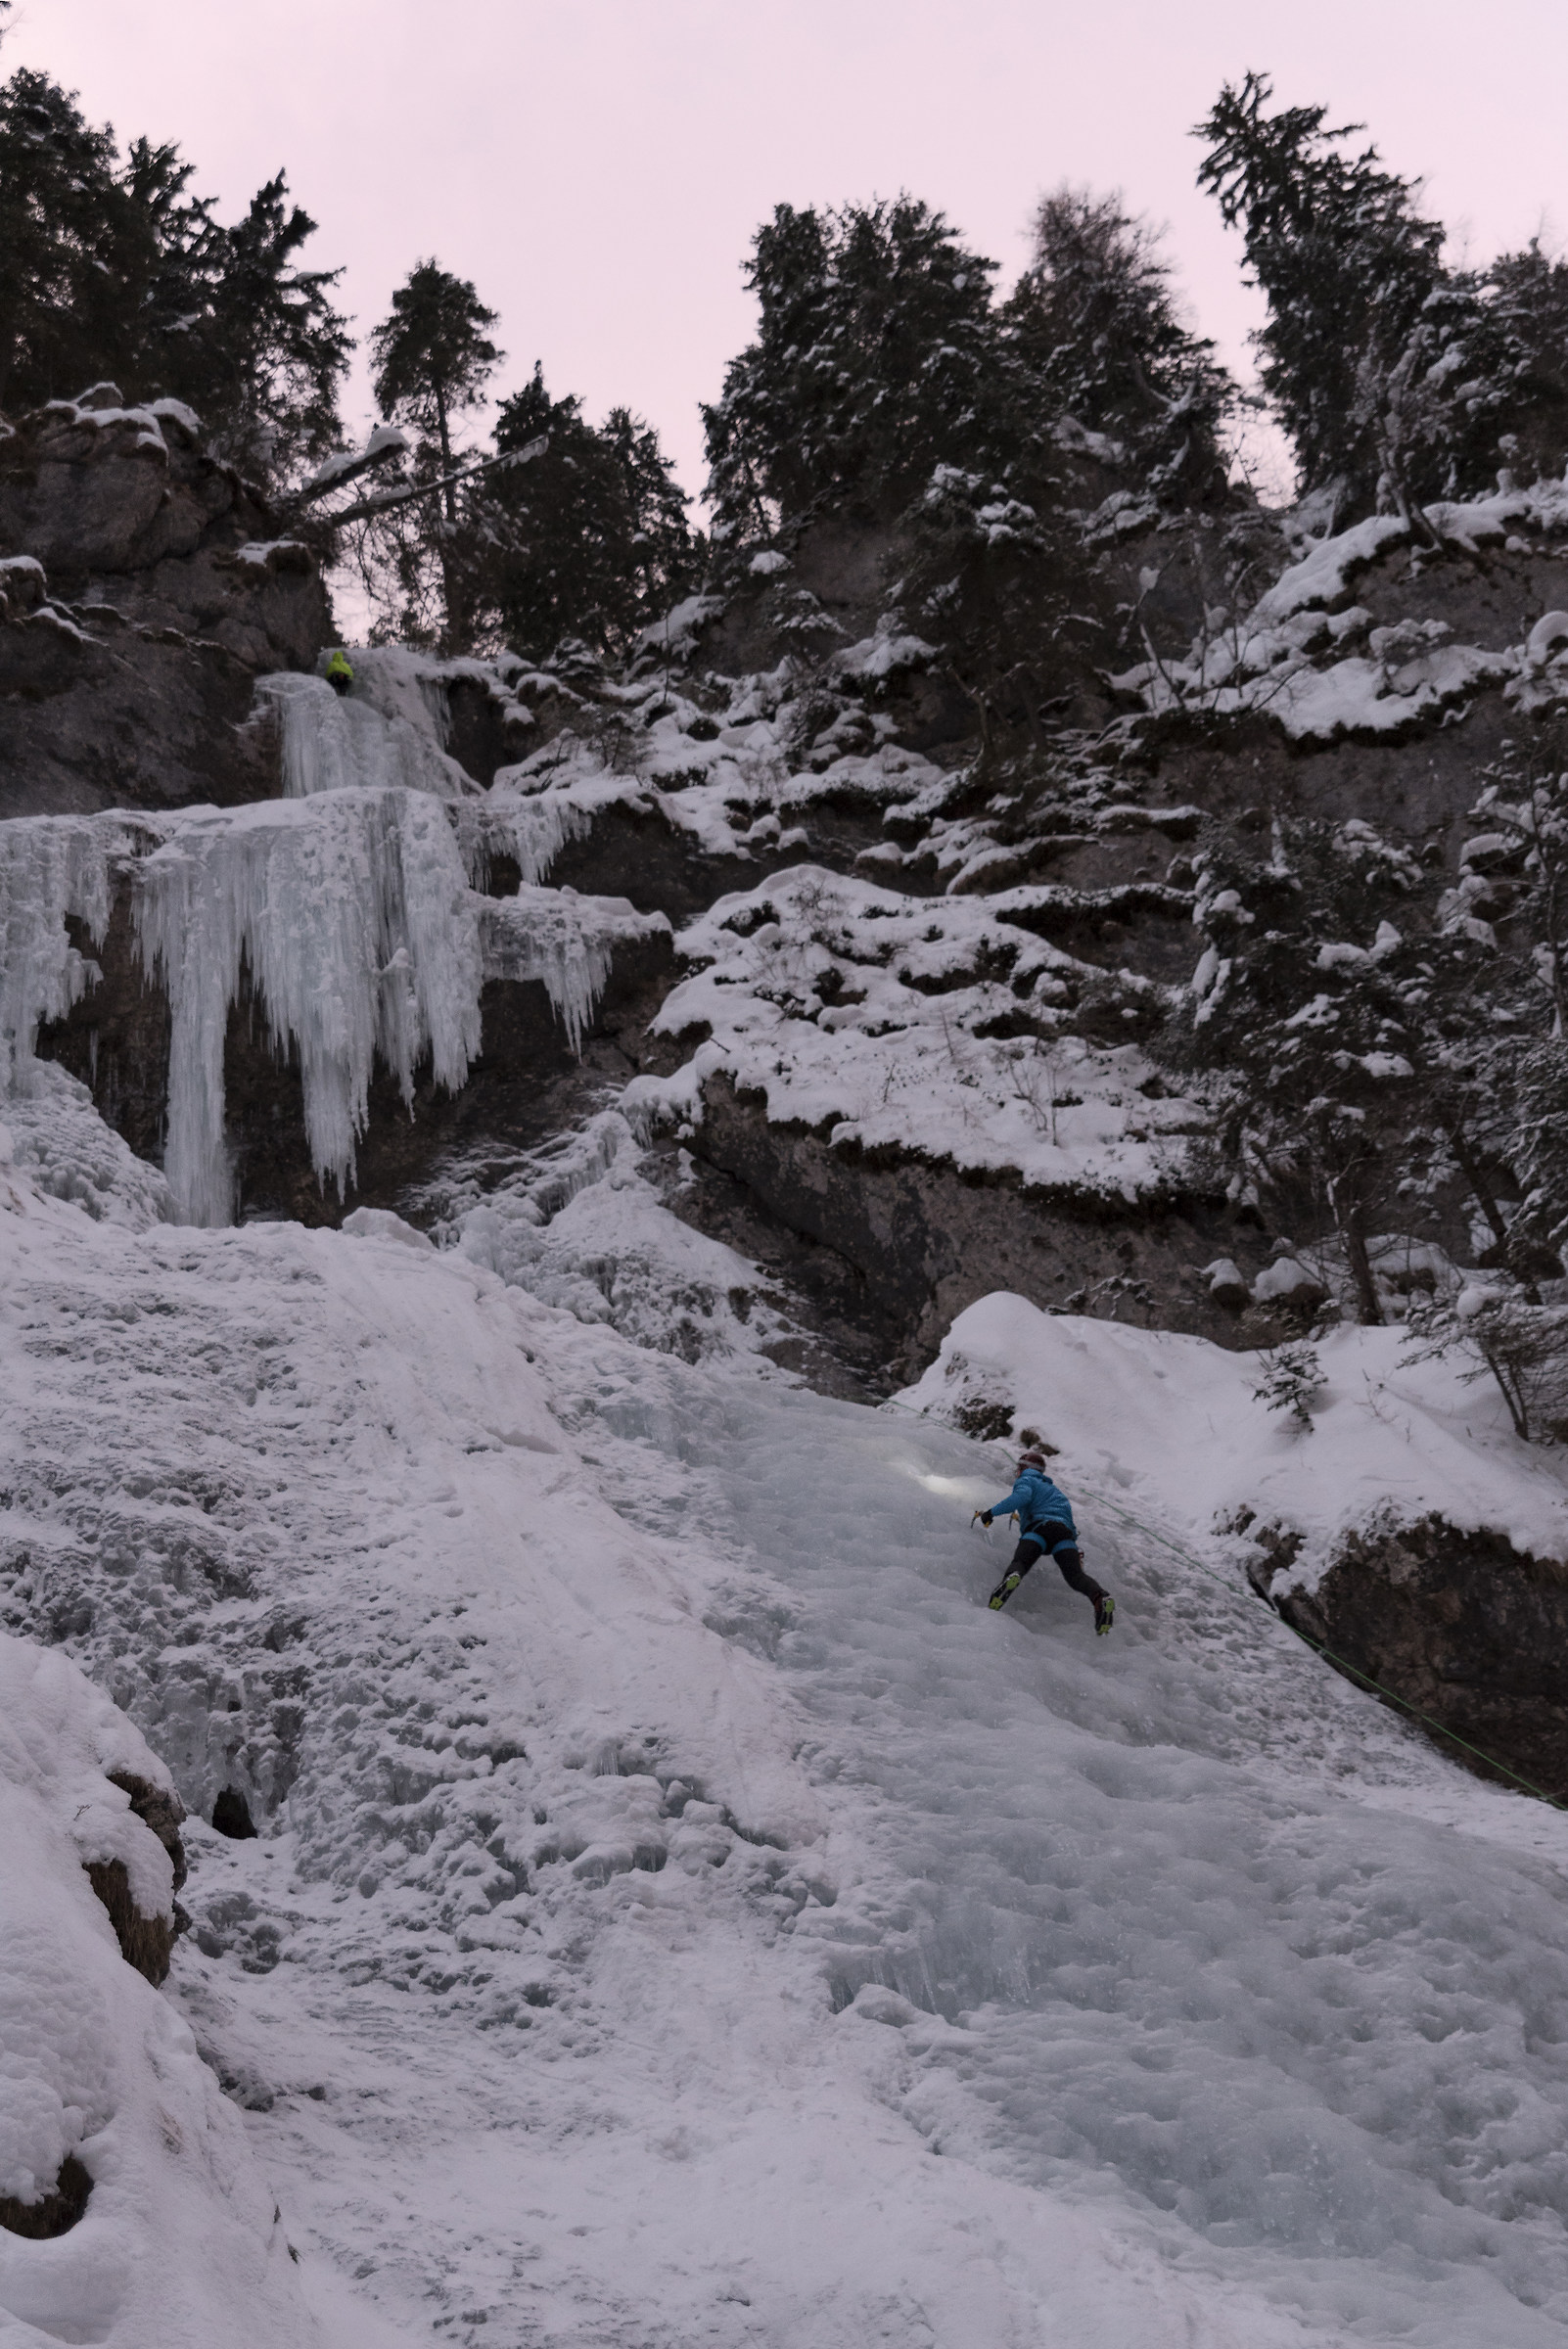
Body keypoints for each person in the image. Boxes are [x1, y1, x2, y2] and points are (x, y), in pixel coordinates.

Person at [977, 1449, 1114, 1633]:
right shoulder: (1056, 1492)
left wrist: (990, 1513)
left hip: (1038, 1530)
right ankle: (1099, 1597)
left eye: (1019, 1467)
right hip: (1063, 1535)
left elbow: (1021, 1497)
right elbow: (1070, 1525)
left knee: (1020, 1563)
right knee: (1075, 1577)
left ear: (1025, 1468)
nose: (1017, 1471)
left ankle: (1012, 1578)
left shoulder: (1026, 1480)